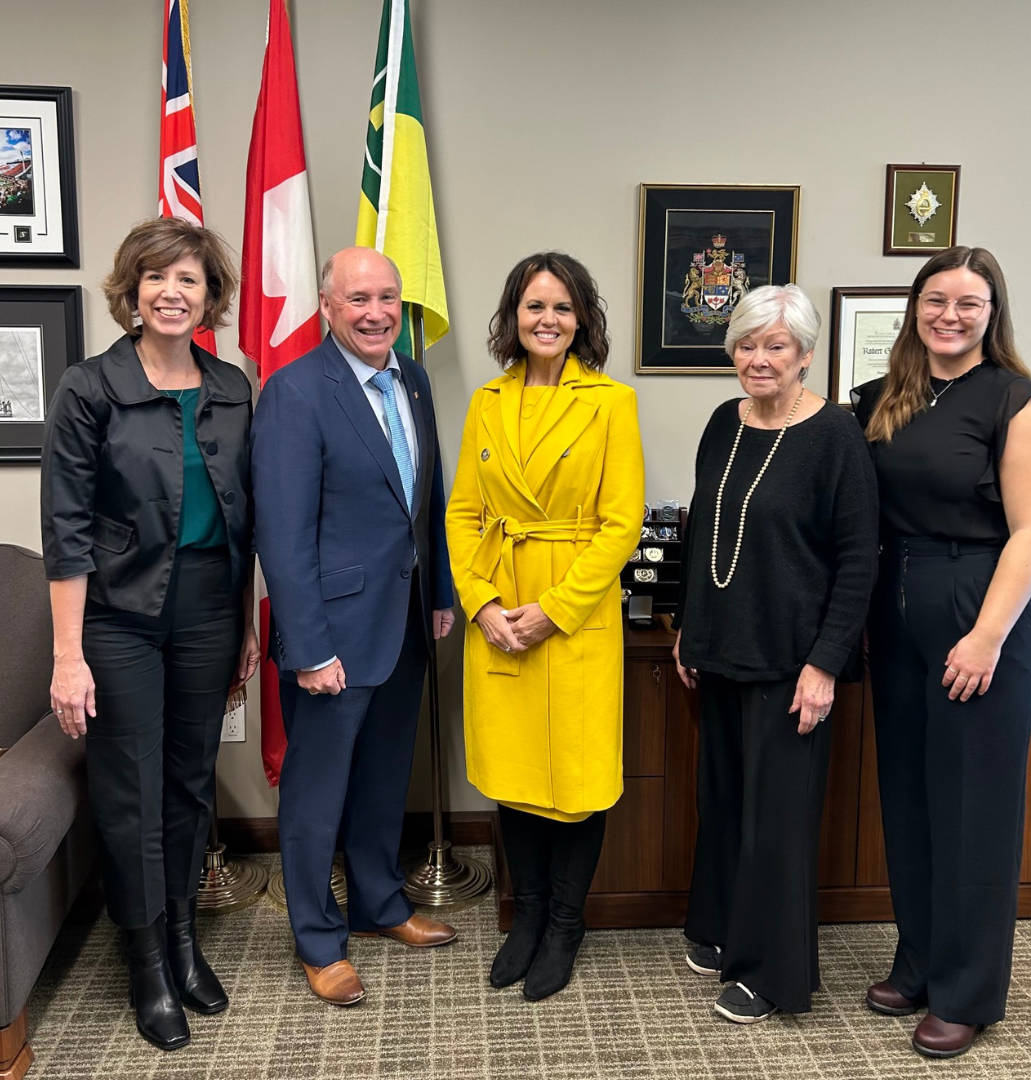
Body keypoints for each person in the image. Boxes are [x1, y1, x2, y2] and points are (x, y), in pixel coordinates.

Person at [40, 217, 259, 1051]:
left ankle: (182, 941)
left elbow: (248, 520)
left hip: (209, 605)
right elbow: (65, 529)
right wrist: (68, 658)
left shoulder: (233, 386)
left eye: (191, 280)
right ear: (132, 290)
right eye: (158, 278)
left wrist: (244, 623)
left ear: (211, 297)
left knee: (189, 781)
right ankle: (146, 964)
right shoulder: (89, 388)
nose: (174, 293)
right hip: (116, 618)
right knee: (131, 790)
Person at [852, 246, 1031, 1059]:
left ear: (991, 313)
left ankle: (968, 992)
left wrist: (984, 636)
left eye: (968, 303)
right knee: (907, 798)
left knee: (973, 810)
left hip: (982, 613)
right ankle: (922, 960)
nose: (950, 314)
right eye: (936, 299)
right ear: (914, 308)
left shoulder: (1019, 404)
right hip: (894, 609)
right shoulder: (879, 401)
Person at [251, 247, 457, 1008]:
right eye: (360, 299)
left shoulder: (414, 377)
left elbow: (425, 498)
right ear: (329, 307)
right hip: (330, 635)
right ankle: (317, 938)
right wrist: (306, 646)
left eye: (389, 299)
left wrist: (438, 591)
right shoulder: (295, 392)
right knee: (317, 792)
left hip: (403, 622)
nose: (377, 314)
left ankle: (379, 905)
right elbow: (282, 530)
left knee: (383, 779)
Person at [673, 284, 878, 1023]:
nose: (758, 359)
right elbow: (703, 531)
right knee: (723, 804)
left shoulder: (836, 436)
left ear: (805, 355)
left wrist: (825, 664)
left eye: (776, 346)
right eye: (747, 345)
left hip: (793, 664)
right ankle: (725, 930)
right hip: (722, 650)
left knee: (777, 824)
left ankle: (775, 977)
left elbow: (859, 561)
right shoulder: (723, 422)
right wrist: (687, 628)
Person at [445, 252, 644, 1001]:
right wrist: (485, 604)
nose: (548, 320)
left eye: (562, 307)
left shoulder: (611, 403)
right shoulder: (486, 402)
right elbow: (463, 513)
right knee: (514, 777)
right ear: (513, 318)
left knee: (577, 784)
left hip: (574, 614)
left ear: (583, 319)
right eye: (534, 306)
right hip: (499, 607)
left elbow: (622, 525)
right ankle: (524, 919)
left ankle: (565, 925)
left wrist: (555, 610)